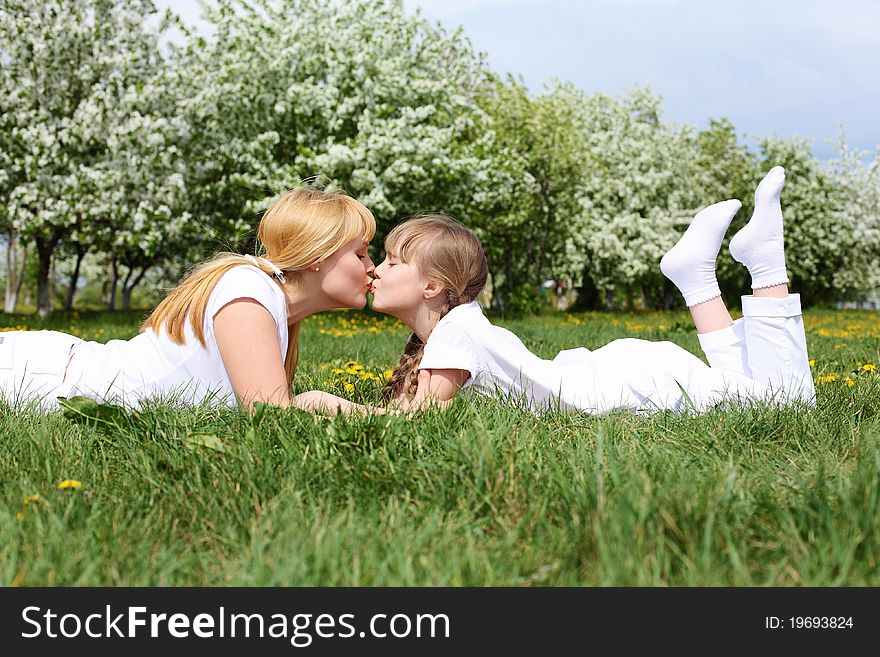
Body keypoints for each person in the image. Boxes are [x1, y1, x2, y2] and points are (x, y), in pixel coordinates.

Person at [353, 166, 814, 415]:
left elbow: (413, 418)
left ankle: (767, 262)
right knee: (759, 397)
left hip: (631, 388)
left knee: (788, 405)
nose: (377, 269)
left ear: (432, 286)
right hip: (621, 377)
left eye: (393, 261)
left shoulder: (455, 332)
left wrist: (326, 405)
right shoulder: (453, 329)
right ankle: (698, 279)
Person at [0, 187, 377, 410]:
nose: (372, 267)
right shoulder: (249, 292)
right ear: (316, 257)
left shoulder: (268, 301)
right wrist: (322, 401)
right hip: (37, 377)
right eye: (360, 253)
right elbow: (270, 416)